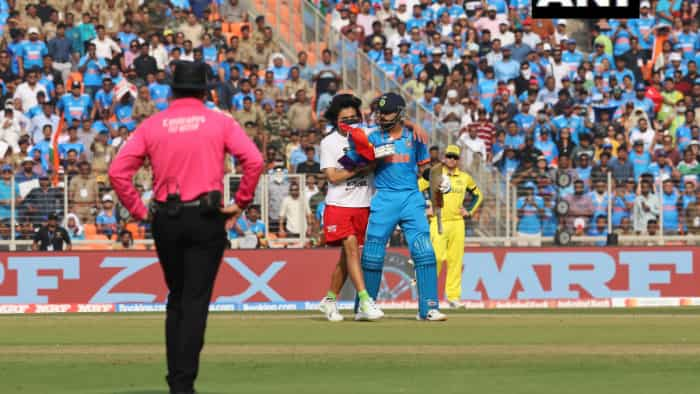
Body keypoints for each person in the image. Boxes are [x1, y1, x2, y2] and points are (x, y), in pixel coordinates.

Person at [108, 61, 264, 394]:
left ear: (172, 89)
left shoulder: (153, 124)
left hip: (167, 217)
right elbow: (254, 160)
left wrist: (139, 211)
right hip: (206, 217)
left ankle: (176, 380)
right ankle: (183, 383)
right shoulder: (219, 122)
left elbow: (118, 172)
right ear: (205, 90)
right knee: (195, 300)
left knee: (177, 298)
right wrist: (241, 201)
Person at [361, 92, 446, 321]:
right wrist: (372, 159)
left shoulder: (415, 137)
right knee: (372, 254)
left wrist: (439, 180)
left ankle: (429, 307)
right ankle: (365, 307)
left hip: (411, 197)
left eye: (386, 112)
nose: (381, 116)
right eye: (379, 112)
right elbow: (361, 167)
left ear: (399, 113)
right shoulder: (373, 138)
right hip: (384, 197)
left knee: (424, 251)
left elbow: (425, 169)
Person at [318, 93, 383, 322]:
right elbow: (333, 176)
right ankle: (365, 300)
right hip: (339, 205)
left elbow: (375, 161)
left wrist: (370, 161)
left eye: (354, 118)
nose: (350, 122)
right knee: (352, 249)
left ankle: (329, 300)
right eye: (345, 119)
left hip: (363, 204)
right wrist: (358, 167)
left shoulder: (366, 137)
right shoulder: (329, 142)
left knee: (347, 259)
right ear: (336, 120)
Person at [427, 145, 482, 308]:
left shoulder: (464, 177)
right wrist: (424, 206)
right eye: (449, 156)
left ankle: (453, 297)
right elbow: (417, 188)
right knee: (436, 258)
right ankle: (428, 295)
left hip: (458, 223)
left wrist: (469, 211)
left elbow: (478, 195)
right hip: (438, 221)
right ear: (444, 158)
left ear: (458, 160)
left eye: (455, 157)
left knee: (455, 261)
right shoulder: (435, 174)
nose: (451, 159)